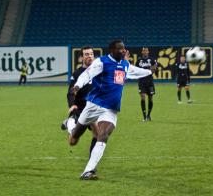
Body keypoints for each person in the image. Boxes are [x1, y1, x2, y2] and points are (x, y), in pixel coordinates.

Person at [69, 40, 156, 180]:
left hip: (110, 109)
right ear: (112, 50)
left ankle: (88, 171)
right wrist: (77, 87)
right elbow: (87, 74)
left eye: (123, 49)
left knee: (103, 136)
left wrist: (149, 71)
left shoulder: (125, 65)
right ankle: (70, 123)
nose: (123, 51)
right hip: (93, 105)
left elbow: (136, 71)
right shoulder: (101, 62)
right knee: (73, 138)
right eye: (120, 49)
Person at [61, 46, 98, 157]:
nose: (89, 56)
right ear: (82, 57)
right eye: (86, 54)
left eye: (91, 54)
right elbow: (71, 92)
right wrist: (72, 105)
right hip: (80, 109)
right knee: (73, 142)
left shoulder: (98, 71)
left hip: (93, 108)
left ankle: (91, 167)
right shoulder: (77, 73)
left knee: (98, 135)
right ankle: (69, 124)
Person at [135, 47, 157, 121]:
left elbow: (154, 69)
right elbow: (136, 70)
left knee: (150, 98)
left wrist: (151, 69)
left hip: (150, 81)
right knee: (142, 97)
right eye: (143, 50)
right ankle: (144, 116)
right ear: (142, 52)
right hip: (141, 81)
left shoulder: (152, 60)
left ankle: (149, 115)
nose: (145, 51)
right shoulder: (139, 61)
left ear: (148, 51)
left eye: (146, 50)